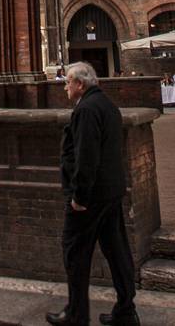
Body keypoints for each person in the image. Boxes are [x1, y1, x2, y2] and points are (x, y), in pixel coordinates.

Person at [47, 62, 137, 326]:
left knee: (74, 252)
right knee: (116, 251)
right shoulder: (107, 105)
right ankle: (126, 311)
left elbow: (87, 156)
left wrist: (79, 197)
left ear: (80, 85)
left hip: (91, 197)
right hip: (111, 191)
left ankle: (76, 315)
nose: (65, 87)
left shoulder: (86, 109)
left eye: (68, 83)